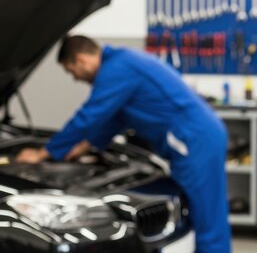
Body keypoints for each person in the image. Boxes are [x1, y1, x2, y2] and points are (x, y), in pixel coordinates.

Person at [16, 35, 231, 253]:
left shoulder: (116, 69)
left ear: (81, 60)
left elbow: (89, 116)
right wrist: (88, 145)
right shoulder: (123, 63)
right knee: (203, 212)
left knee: (208, 218)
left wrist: (45, 152)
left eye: (72, 72)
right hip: (195, 137)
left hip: (194, 140)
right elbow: (117, 119)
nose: (76, 79)